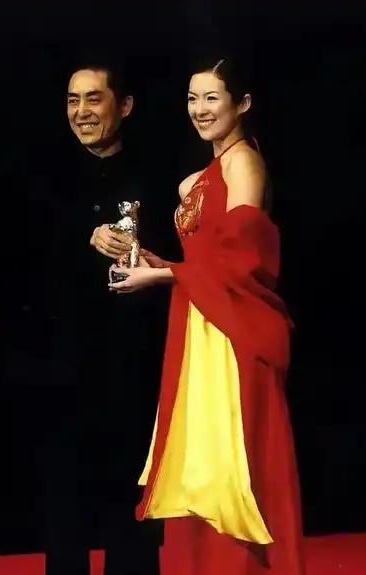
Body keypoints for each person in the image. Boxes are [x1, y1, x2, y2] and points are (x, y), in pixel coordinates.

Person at [108, 58, 306, 575]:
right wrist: (156, 264)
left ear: (242, 103)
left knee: (232, 462)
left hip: (233, 328)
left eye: (212, 97)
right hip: (201, 320)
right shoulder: (199, 179)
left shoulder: (243, 164)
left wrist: (166, 276)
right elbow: (204, 262)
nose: (200, 109)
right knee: (201, 460)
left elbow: (243, 261)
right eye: (193, 98)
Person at [33, 59, 176, 575]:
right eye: (73, 100)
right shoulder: (46, 176)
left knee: (132, 505)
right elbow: (25, 257)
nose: (82, 111)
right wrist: (84, 235)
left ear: (125, 105)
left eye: (94, 98)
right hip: (64, 364)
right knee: (64, 504)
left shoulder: (158, 177)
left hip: (133, 363)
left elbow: (179, 259)